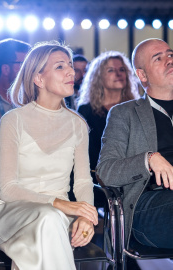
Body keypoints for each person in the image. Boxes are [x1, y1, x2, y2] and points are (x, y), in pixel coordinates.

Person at [0, 41, 98, 270]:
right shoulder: (13, 120)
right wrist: (61, 204)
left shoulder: (78, 124)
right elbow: (8, 189)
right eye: (60, 66)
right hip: (10, 211)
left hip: (59, 215)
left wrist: (85, 216)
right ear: (39, 79)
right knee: (49, 218)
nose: (72, 72)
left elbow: (83, 181)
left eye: (71, 66)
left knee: (49, 223)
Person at [96, 39, 173, 249]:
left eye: (170, 54)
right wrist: (148, 159)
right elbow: (105, 172)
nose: (169, 61)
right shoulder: (124, 113)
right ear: (142, 75)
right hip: (150, 203)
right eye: (158, 58)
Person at [77, 51, 139, 181]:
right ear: (98, 77)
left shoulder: (137, 107)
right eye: (111, 70)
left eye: (122, 69)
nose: (118, 74)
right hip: (98, 178)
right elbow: (85, 153)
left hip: (135, 175)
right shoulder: (86, 111)